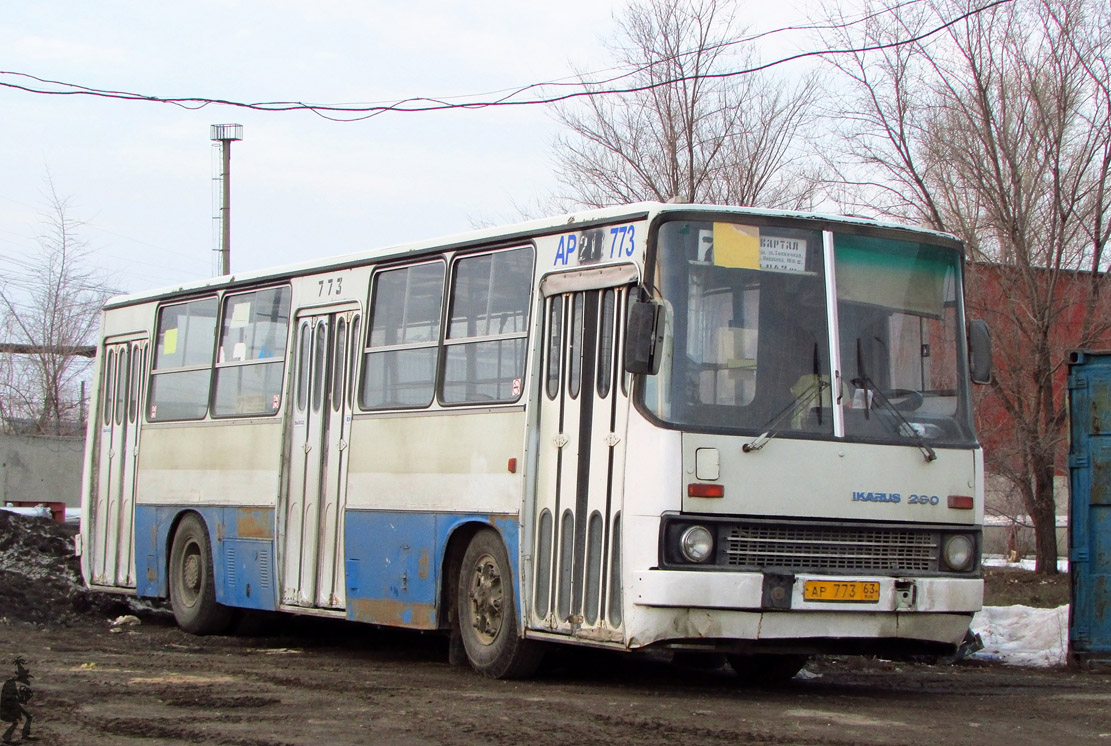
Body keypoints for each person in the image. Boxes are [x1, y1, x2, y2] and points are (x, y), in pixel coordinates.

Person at [0, 657, 34, 744]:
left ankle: (24, 735)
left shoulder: (14, 683)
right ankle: (7, 738)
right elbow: (9, 699)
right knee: (16, 722)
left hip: (11, 705)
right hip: (7, 707)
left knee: (28, 717)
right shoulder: (11, 684)